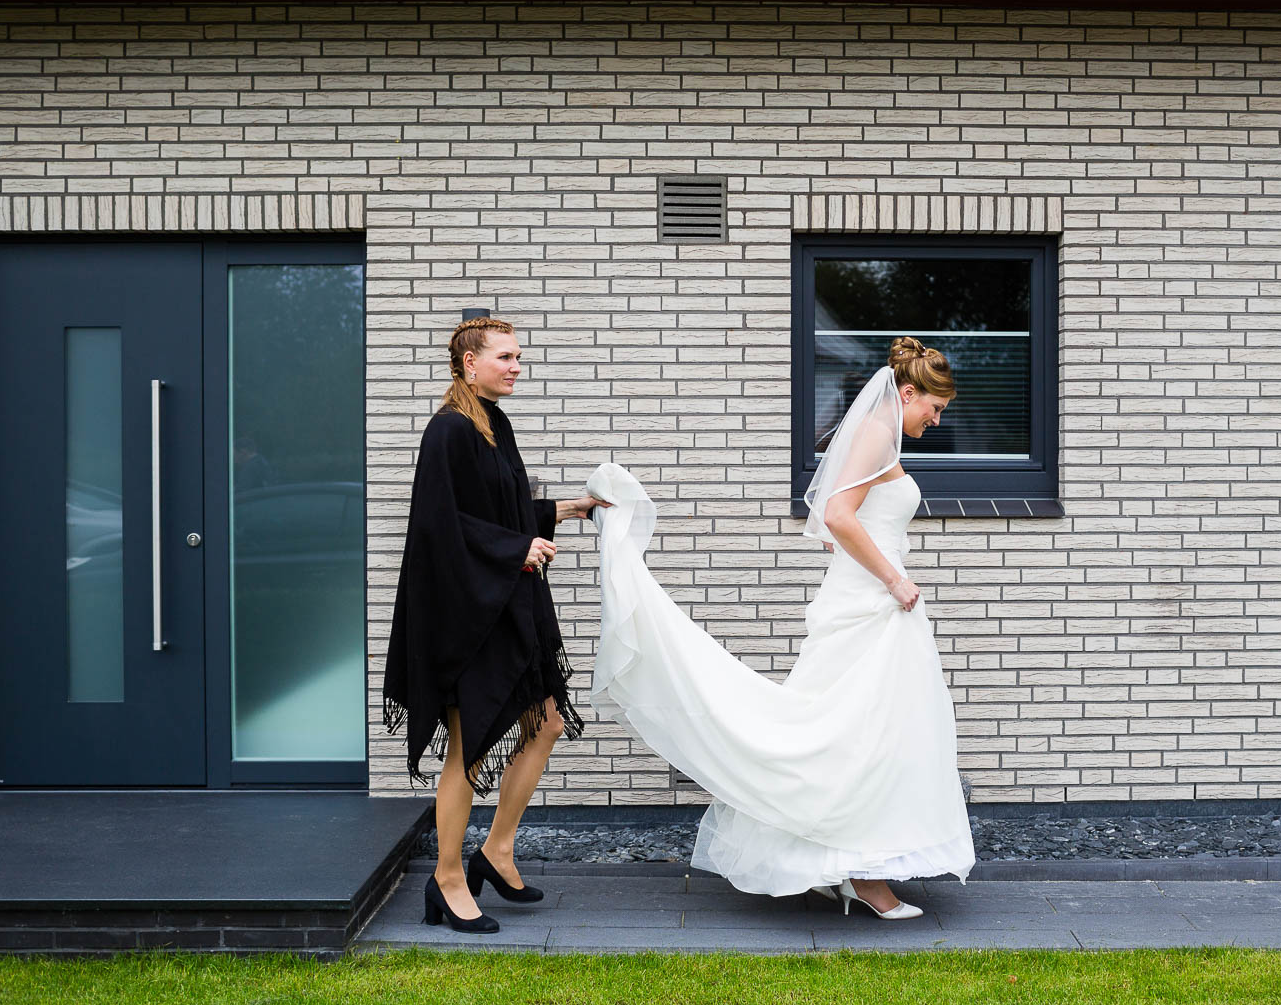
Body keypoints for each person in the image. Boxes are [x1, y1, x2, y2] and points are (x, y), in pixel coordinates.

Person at [585, 337, 974, 919]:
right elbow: (838, 517)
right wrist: (893, 578)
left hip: (869, 602)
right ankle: (863, 876)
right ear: (908, 392)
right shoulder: (874, 433)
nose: (936, 420)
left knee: (868, 733)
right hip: (875, 602)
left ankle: (844, 864)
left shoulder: (879, 436)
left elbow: (829, 526)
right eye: (934, 408)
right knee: (857, 732)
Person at [383, 316, 608, 934]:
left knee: (548, 719)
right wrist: (516, 551)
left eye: (518, 356)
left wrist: (570, 509)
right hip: (466, 617)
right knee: (470, 745)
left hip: (504, 604)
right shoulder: (447, 432)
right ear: (468, 363)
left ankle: (497, 849)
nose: (516, 366)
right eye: (505, 357)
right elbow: (438, 527)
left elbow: (505, 511)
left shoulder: (492, 424)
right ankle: (447, 878)